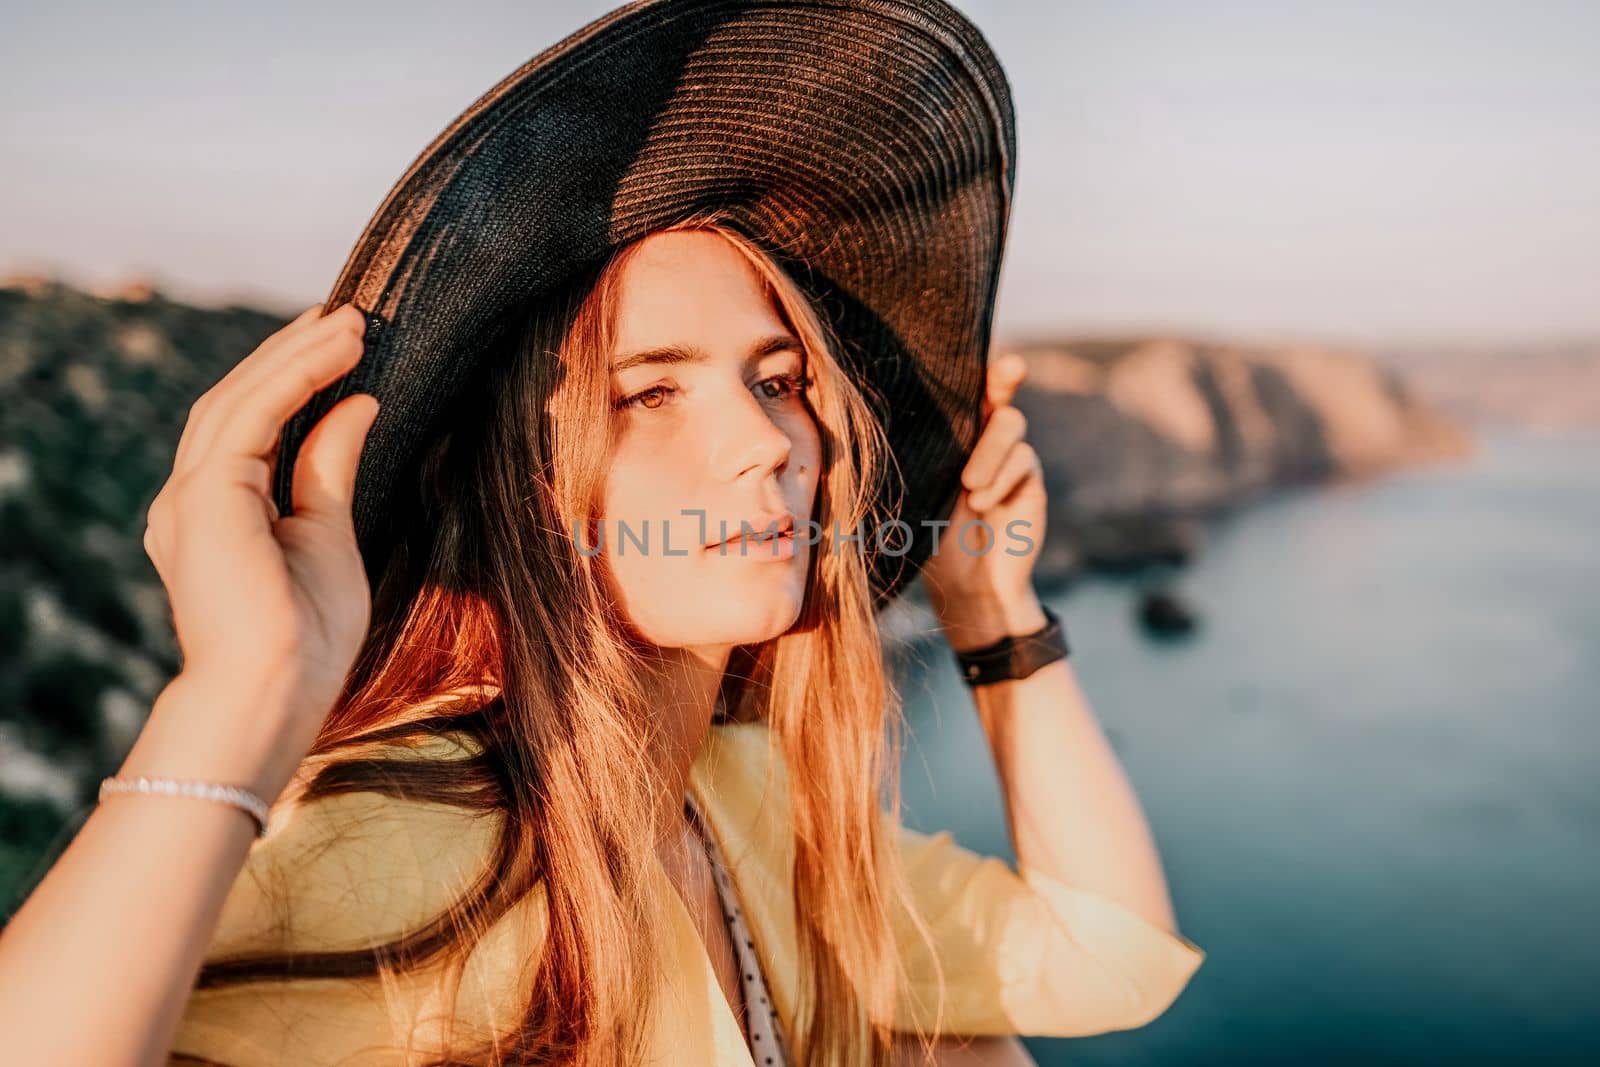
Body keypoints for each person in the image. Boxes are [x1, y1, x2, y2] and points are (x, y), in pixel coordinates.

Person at [0, 3, 1205, 1065]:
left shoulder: (754, 803)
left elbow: (1113, 957)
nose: (766, 443)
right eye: (650, 391)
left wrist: (991, 608)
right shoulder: (406, 836)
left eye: (778, 379)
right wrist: (244, 689)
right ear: (522, 488)